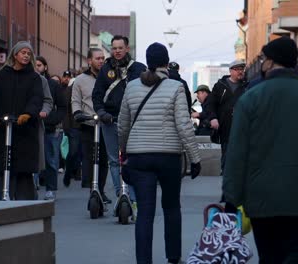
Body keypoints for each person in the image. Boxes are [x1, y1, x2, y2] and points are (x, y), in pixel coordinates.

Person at [222, 37, 298, 264]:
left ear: (270, 61)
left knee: (269, 256)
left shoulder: (251, 98)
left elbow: (237, 153)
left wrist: (231, 198)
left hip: (261, 198)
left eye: (263, 58)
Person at [118, 42, 201, 264]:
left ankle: (143, 261)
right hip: (168, 157)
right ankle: (173, 257)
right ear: (166, 62)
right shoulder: (176, 87)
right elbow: (184, 125)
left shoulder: (131, 87)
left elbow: (122, 125)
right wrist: (195, 158)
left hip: (139, 157)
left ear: (147, 61)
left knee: (145, 213)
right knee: (172, 207)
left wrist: (125, 150)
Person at [0, 41, 44, 200]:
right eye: (23, 52)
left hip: (25, 130)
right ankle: (5, 199)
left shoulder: (34, 78)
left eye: (29, 53)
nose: (26, 56)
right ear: (15, 54)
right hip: (4, 128)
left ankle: (26, 204)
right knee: (6, 166)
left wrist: (28, 114)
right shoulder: (1, 75)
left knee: (23, 169)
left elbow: (36, 98)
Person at [92, 35, 146, 204]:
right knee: (114, 160)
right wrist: (101, 113)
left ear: (127, 49)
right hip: (110, 120)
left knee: (133, 160)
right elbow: (97, 95)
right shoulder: (105, 69)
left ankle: (133, 196)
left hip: (133, 123)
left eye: (120, 48)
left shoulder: (138, 69)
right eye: (114, 48)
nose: (116, 51)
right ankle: (121, 196)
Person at [71, 48, 111, 203]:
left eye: (103, 58)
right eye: (97, 58)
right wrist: (77, 113)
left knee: (104, 158)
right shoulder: (80, 80)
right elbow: (75, 100)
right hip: (88, 123)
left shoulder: (109, 77)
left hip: (105, 123)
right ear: (89, 61)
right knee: (88, 156)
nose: (101, 61)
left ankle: (100, 189)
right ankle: (91, 188)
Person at [207, 59, 248, 171]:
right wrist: (213, 118)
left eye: (242, 69)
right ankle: (225, 178)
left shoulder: (246, 87)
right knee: (227, 157)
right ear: (231, 71)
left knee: (242, 158)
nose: (241, 72)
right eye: (237, 69)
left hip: (243, 128)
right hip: (226, 128)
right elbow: (210, 104)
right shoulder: (220, 86)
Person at [35, 56, 66, 200]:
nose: (37, 68)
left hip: (48, 128)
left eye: (39, 65)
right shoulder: (29, 81)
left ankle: (51, 189)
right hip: (30, 126)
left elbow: (62, 106)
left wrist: (51, 120)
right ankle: (31, 188)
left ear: (45, 67)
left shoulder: (53, 85)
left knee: (50, 160)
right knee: (31, 159)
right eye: (34, 65)